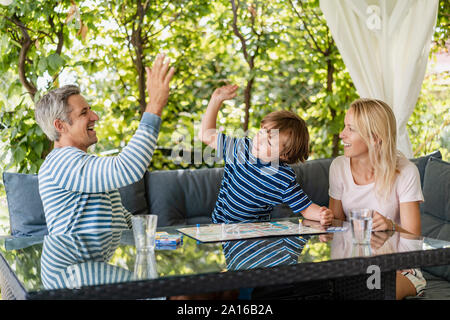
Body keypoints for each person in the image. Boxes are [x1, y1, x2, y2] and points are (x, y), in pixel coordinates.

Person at [35, 53, 175, 234]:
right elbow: (128, 168)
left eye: (90, 110)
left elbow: (118, 217)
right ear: (60, 126)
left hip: (97, 261)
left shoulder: (81, 164)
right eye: (84, 113)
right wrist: (155, 104)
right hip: (76, 262)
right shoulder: (60, 162)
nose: (95, 117)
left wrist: (156, 237)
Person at [328, 98, 426, 299]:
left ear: (375, 138)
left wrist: (390, 225)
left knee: (372, 293)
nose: (342, 134)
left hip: (400, 268)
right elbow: (335, 231)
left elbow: (413, 241)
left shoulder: (406, 172)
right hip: (353, 266)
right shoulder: (338, 167)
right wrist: (324, 220)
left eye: (350, 129)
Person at [199, 84, 333, 225]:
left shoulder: (283, 178)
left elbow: (305, 208)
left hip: (254, 237)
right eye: (261, 132)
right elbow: (206, 135)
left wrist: (321, 214)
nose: (258, 140)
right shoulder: (241, 148)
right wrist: (216, 100)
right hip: (220, 229)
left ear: (285, 156)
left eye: (269, 142)